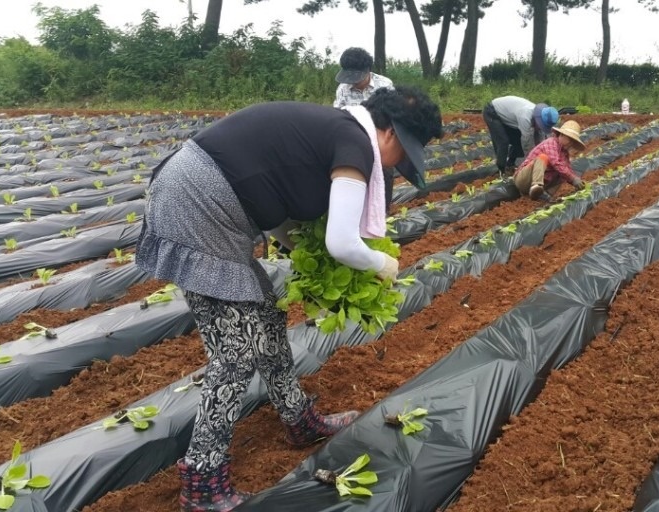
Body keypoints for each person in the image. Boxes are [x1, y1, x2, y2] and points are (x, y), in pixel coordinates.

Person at [135, 85, 442, 512]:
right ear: (390, 133)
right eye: (404, 156)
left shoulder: (335, 131)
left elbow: (279, 205)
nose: (397, 167)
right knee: (236, 352)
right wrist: (381, 264)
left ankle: (298, 419)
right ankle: (202, 480)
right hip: (198, 205)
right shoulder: (355, 141)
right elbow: (341, 241)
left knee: (265, 315)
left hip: (203, 199)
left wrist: (302, 252)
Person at [482, 95, 559, 176]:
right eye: (541, 125)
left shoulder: (537, 117)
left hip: (508, 116)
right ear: (538, 119)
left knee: (518, 140)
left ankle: (510, 164)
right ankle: (501, 170)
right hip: (492, 112)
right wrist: (531, 164)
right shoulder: (525, 116)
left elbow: (540, 142)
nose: (541, 128)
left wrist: (544, 158)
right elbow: (526, 144)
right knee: (503, 141)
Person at [513, 120, 587, 203]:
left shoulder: (564, 153)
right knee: (543, 157)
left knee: (563, 173)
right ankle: (536, 185)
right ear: (562, 135)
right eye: (570, 139)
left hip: (542, 184)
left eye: (573, 141)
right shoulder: (551, 143)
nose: (571, 143)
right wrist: (573, 178)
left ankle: (546, 197)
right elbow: (555, 162)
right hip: (524, 179)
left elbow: (566, 170)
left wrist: (576, 181)